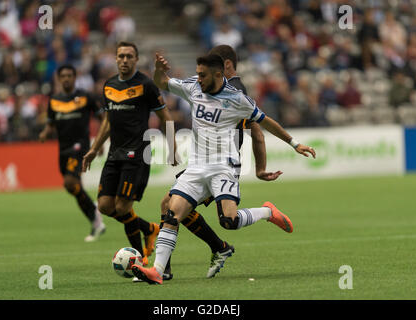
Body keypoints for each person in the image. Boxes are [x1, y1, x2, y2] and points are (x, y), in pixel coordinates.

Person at [132, 53, 316, 284]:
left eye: (202, 75)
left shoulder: (237, 99)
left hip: (223, 168)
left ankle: (268, 212)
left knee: (229, 221)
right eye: (197, 74)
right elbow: (162, 82)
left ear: (218, 74)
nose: (197, 79)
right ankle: (157, 271)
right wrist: (159, 70)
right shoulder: (192, 88)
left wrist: (294, 143)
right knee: (171, 212)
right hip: (197, 168)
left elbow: (266, 122)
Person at [158, 45, 284, 281]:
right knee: (173, 206)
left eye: (206, 71)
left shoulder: (234, 92)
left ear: (224, 66)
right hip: (205, 162)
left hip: (221, 165)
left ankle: (176, 264)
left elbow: (257, 130)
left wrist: (260, 166)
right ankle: (204, 252)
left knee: (185, 209)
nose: (201, 76)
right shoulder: (216, 87)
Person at [82, 41, 177, 266]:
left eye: (129, 56)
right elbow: (108, 120)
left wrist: (172, 149)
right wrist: (95, 149)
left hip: (137, 154)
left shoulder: (146, 85)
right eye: (121, 56)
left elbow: (167, 117)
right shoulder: (109, 85)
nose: (124, 60)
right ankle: (149, 229)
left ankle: (139, 260)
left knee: (123, 208)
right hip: (114, 154)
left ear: (135, 60)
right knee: (105, 206)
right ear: (116, 59)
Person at [39, 65, 106, 242]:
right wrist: (46, 132)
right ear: (59, 79)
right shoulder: (54, 100)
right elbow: (51, 122)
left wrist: (99, 143)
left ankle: (95, 215)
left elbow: (102, 118)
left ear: (75, 77)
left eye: (70, 75)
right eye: (63, 76)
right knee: (73, 187)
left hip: (80, 147)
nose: (67, 78)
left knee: (70, 182)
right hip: (63, 149)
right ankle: (95, 217)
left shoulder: (86, 97)